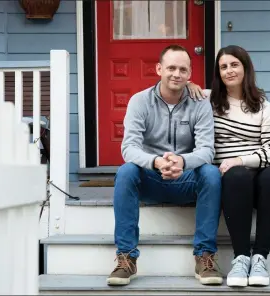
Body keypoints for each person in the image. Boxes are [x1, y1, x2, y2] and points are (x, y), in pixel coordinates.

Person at [107, 45, 223, 286]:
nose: (176, 74)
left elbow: (206, 150)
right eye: (171, 68)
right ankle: (126, 257)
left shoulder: (200, 102)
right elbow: (128, 147)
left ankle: (204, 256)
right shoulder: (140, 101)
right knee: (126, 171)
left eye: (183, 69)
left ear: (190, 74)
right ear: (159, 69)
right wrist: (156, 162)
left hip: (185, 178)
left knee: (211, 173)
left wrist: (182, 161)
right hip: (151, 178)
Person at [209, 45, 270, 287]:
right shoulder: (209, 102)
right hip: (232, 181)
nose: (229, 71)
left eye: (234, 65)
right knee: (237, 176)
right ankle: (241, 257)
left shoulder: (263, 105)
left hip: (260, 177)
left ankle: (260, 258)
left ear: (246, 68)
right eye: (223, 67)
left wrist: (240, 159)